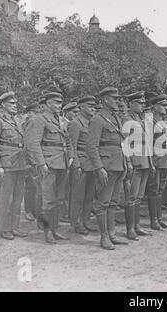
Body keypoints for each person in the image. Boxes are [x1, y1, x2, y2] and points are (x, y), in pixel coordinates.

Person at [86, 86, 133, 250]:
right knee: (103, 203)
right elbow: (91, 147)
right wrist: (99, 168)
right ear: (105, 99)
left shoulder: (116, 118)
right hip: (106, 166)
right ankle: (104, 236)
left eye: (118, 98)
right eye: (114, 98)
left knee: (113, 202)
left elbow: (121, 143)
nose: (118, 101)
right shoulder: (98, 119)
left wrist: (127, 162)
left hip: (118, 165)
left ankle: (112, 233)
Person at [25, 92, 74, 244]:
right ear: (46, 104)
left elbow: (68, 140)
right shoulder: (40, 119)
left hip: (62, 163)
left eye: (60, 103)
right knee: (48, 200)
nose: (59, 106)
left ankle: (55, 229)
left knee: (59, 199)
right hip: (48, 163)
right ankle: (47, 232)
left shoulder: (60, 120)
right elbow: (33, 143)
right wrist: (41, 163)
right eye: (55, 103)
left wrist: (71, 156)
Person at [0, 92, 28, 240]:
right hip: (7, 164)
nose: (15, 105)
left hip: (20, 164)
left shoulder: (17, 120)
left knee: (17, 198)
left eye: (16, 103)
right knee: (6, 198)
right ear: (3, 105)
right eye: (11, 103)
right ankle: (5, 229)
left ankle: (15, 227)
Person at [122, 91, 155, 236]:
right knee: (131, 196)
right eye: (140, 103)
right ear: (131, 104)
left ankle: (137, 226)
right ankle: (130, 229)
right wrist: (128, 161)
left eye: (143, 103)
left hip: (145, 160)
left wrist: (151, 162)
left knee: (139, 196)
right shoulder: (126, 119)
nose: (143, 105)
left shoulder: (141, 120)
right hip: (134, 161)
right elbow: (124, 142)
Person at [67, 96, 97, 235]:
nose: (93, 109)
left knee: (89, 195)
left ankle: (85, 221)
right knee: (78, 196)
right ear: (82, 107)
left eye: (94, 106)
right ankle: (76, 223)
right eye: (90, 106)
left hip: (92, 164)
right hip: (81, 164)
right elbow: (72, 146)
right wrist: (76, 165)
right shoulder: (75, 123)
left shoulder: (92, 122)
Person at [145, 93, 167, 229]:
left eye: (166, 105)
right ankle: (154, 220)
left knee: (160, 190)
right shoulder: (149, 122)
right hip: (155, 160)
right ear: (155, 107)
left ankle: (159, 218)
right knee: (153, 190)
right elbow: (148, 144)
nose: (165, 107)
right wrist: (150, 163)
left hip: (164, 159)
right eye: (163, 105)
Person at [22, 102, 41, 222]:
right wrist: (32, 161)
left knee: (36, 186)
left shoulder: (33, 121)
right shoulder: (31, 122)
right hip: (31, 159)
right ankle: (29, 211)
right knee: (31, 186)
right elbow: (28, 143)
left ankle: (34, 210)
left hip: (36, 158)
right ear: (30, 113)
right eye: (36, 112)